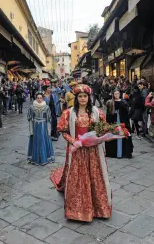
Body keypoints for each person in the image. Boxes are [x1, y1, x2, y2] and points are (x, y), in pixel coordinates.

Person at [51, 84, 111, 222]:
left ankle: (98, 208)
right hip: (77, 150)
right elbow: (62, 130)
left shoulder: (97, 112)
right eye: (80, 96)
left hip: (92, 150)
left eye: (85, 96)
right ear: (76, 98)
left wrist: (99, 137)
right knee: (79, 178)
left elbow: (104, 128)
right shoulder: (68, 113)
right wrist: (74, 141)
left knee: (94, 176)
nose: (83, 99)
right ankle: (77, 210)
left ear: (89, 98)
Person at [27, 92, 55, 165]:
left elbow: (49, 119)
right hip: (35, 126)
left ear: (43, 99)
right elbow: (29, 118)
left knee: (43, 140)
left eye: (40, 98)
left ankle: (44, 157)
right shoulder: (32, 107)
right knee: (35, 140)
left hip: (43, 126)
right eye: (38, 98)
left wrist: (49, 130)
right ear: (36, 98)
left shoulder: (46, 107)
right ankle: (35, 158)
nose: (39, 99)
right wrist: (31, 129)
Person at [105, 89, 134, 158]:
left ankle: (123, 153)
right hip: (114, 122)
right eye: (115, 94)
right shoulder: (110, 102)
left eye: (118, 93)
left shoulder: (124, 102)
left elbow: (126, 113)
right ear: (113, 95)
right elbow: (108, 114)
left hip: (123, 122)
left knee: (123, 135)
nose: (117, 95)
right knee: (114, 135)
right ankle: (115, 153)